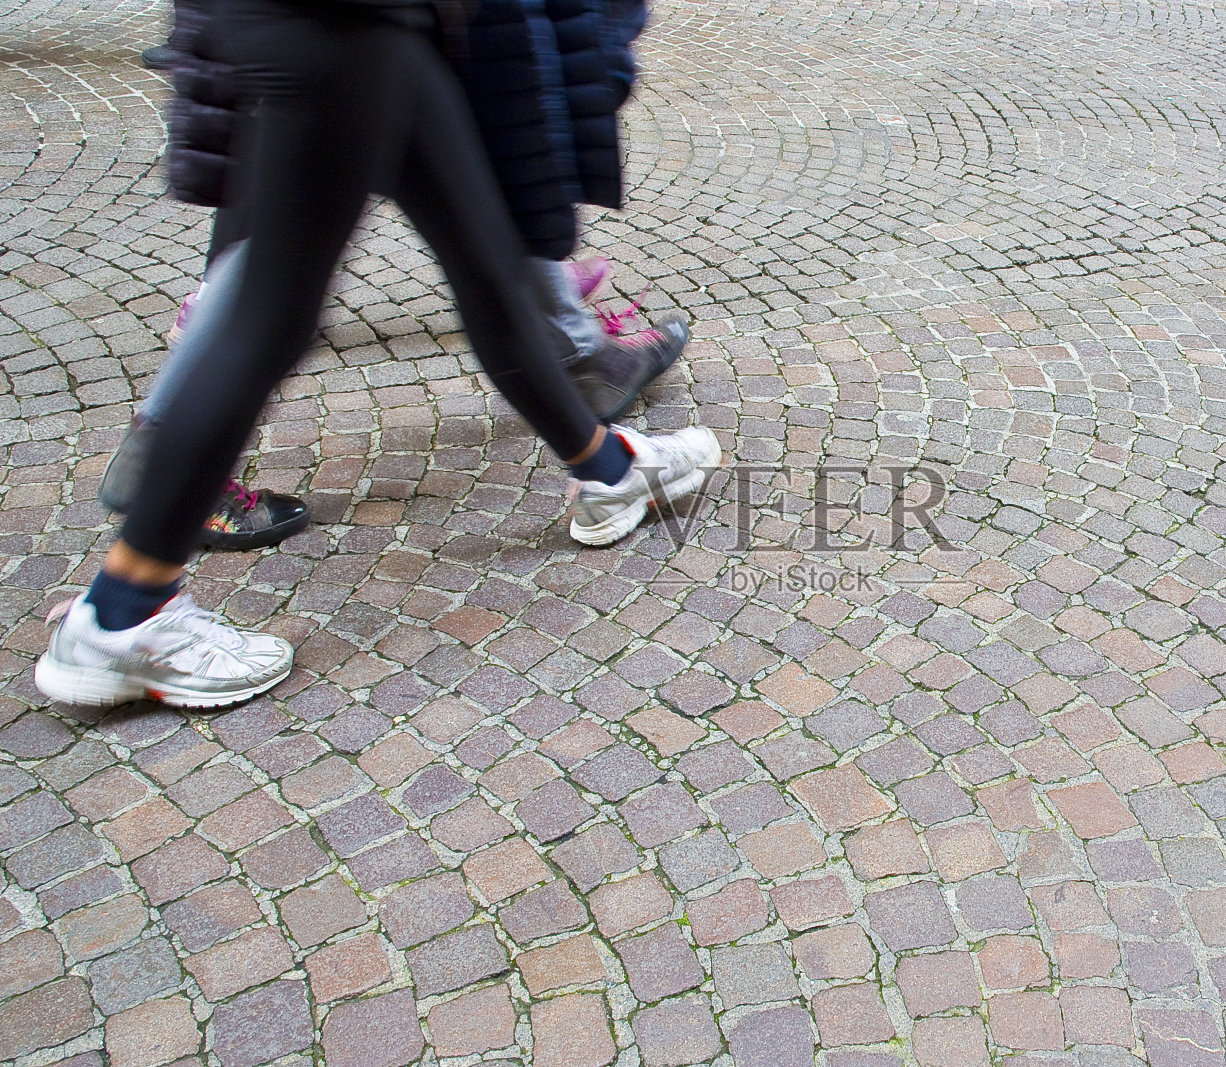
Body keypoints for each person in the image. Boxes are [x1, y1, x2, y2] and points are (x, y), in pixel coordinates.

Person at [34, 0, 719, 710]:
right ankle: (122, 611)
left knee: (486, 257)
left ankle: (609, 470)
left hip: (389, 22)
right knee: (273, 313)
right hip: (339, 22)